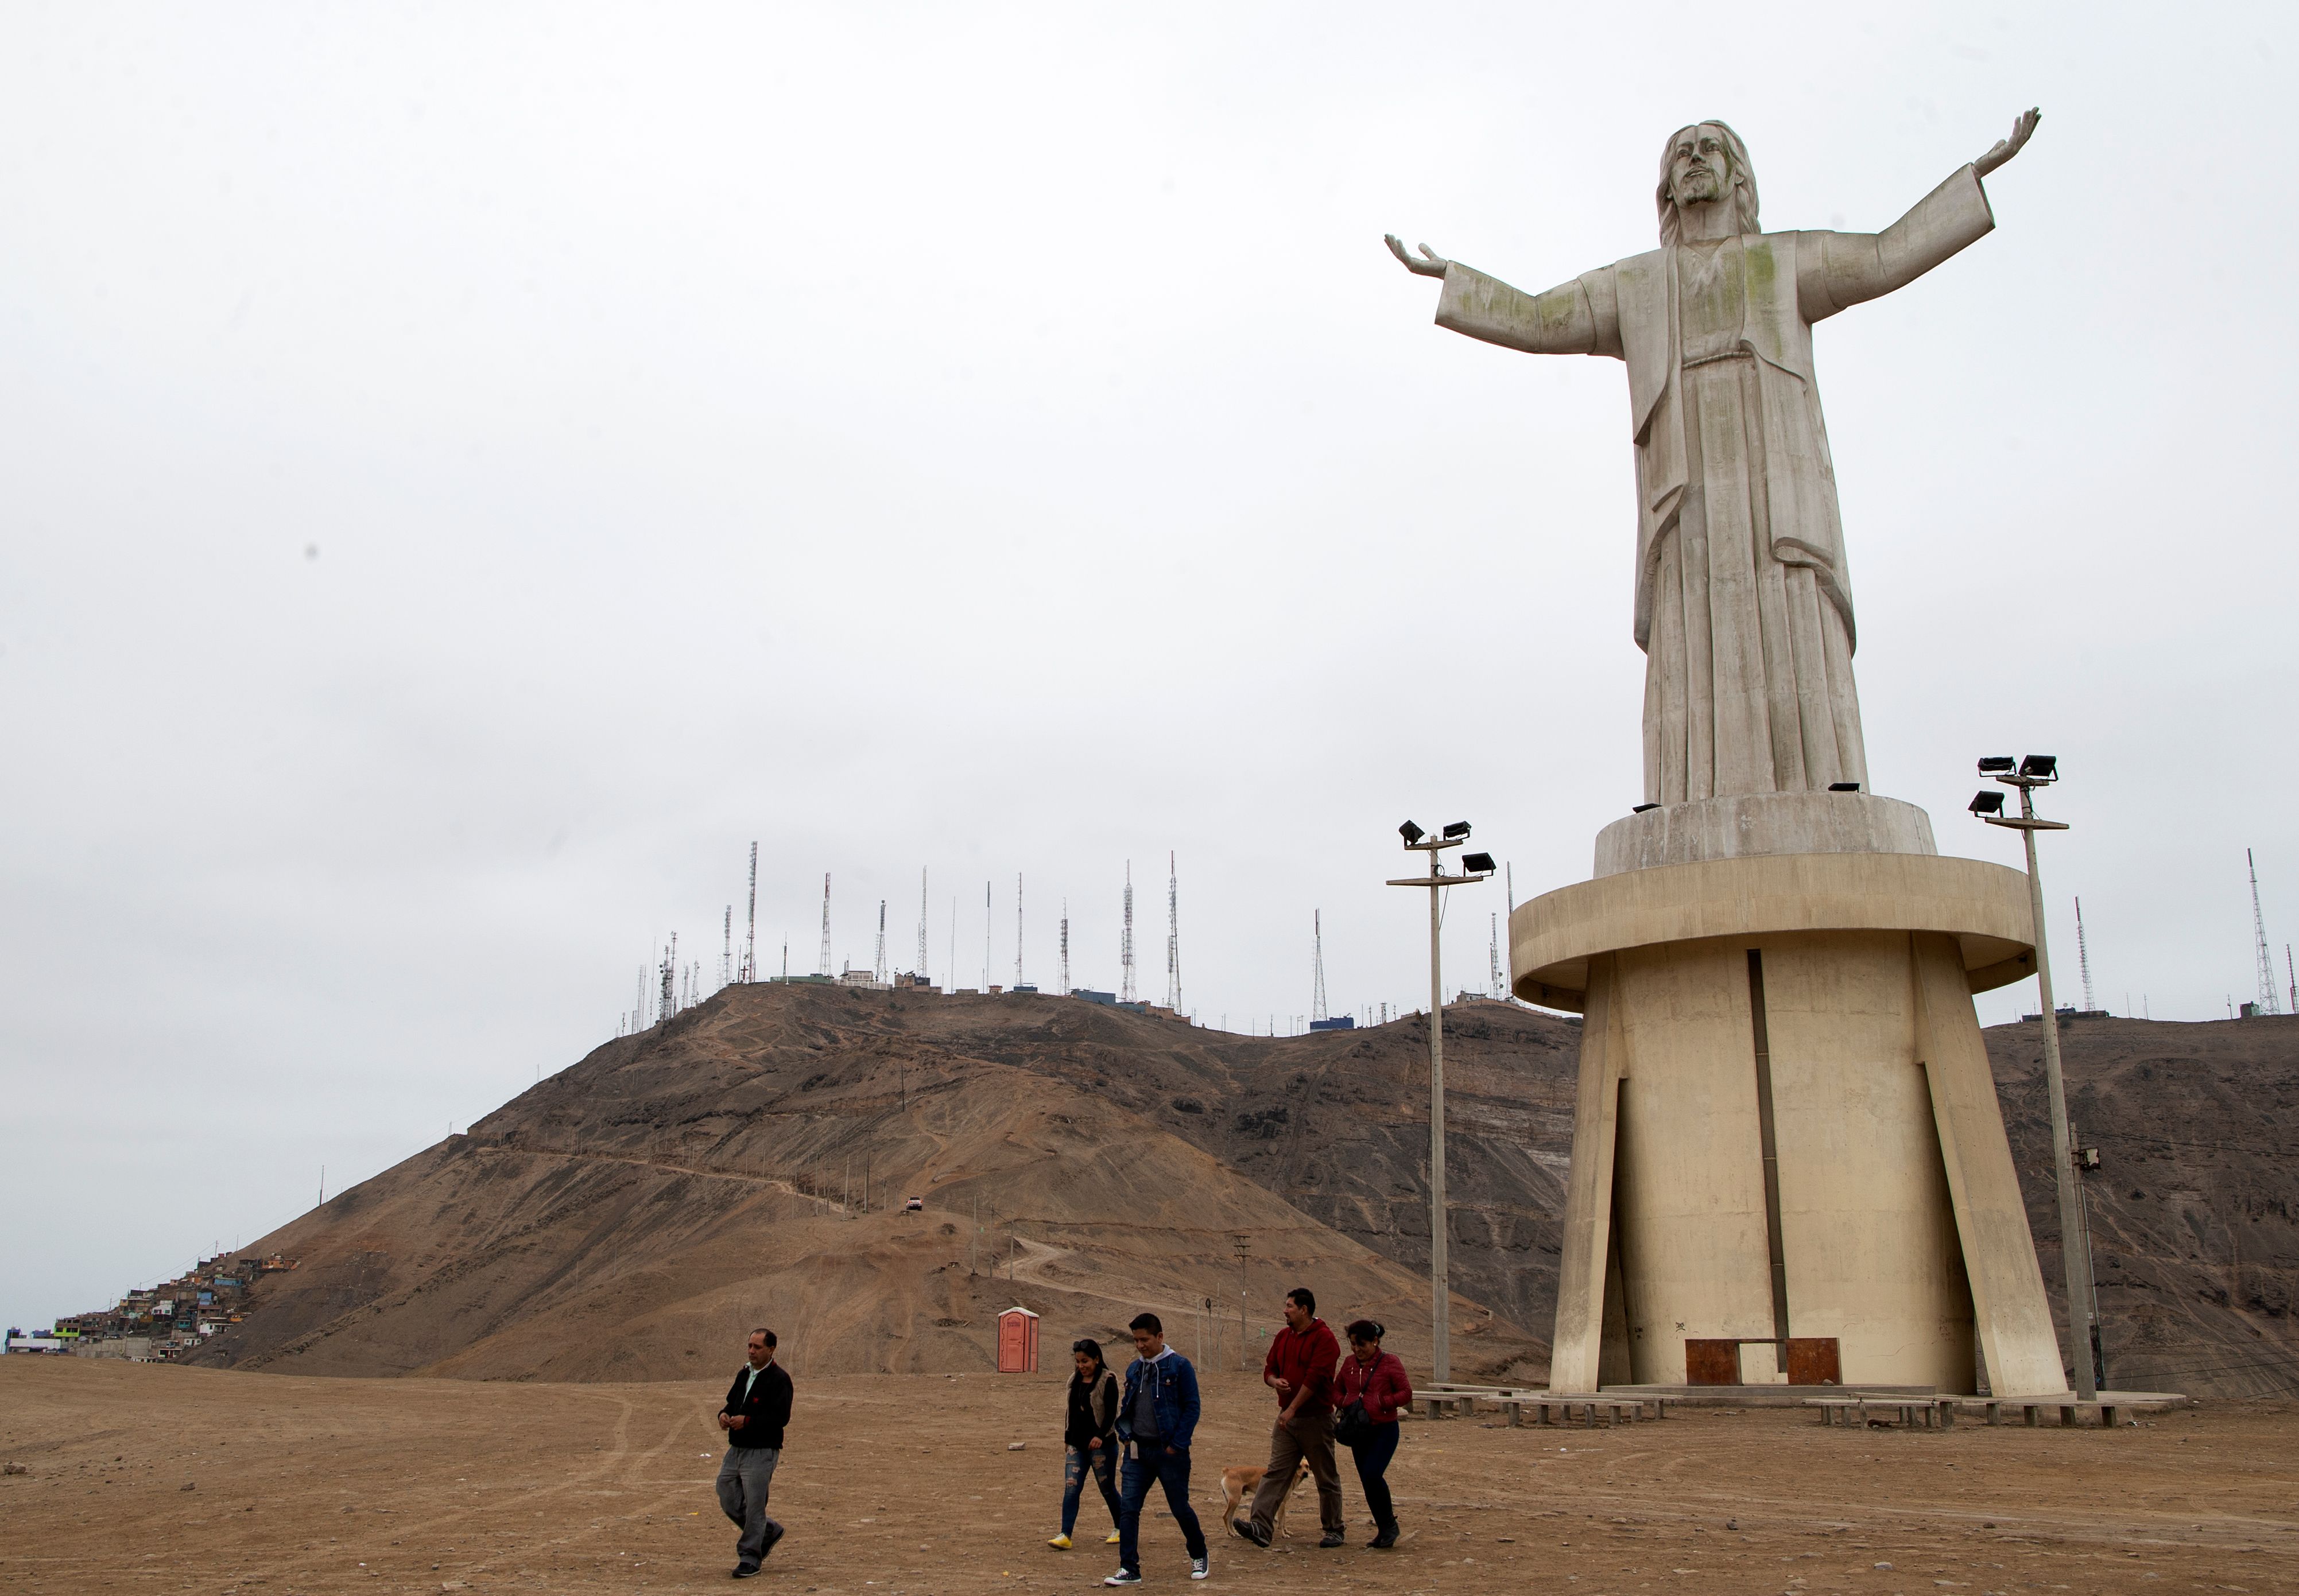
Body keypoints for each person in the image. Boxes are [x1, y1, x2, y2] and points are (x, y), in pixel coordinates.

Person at [1235, 1286, 1343, 1549]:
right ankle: (1261, 1526)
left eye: (1289, 1306)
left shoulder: (1325, 1339)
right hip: (1287, 1420)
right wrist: (1274, 1382)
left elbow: (1316, 1378)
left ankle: (1334, 1529)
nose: (1285, 1311)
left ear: (1304, 1310)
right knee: (1276, 1473)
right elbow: (1269, 1369)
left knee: (1325, 1475)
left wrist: (1293, 1408)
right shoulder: (1284, 1336)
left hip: (1316, 1419)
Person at [1105, 1312, 1209, 1585]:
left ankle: (1199, 1553)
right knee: (1129, 1509)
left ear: (1160, 1337)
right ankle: (1129, 1568)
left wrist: (1177, 1444)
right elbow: (1128, 1405)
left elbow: (1192, 1407)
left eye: (1145, 1340)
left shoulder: (1180, 1366)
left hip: (1169, 1452)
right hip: (1137, 1451)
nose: (1140, 1345)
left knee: (1179, 1507)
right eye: (1136, 1340)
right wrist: (1125, 1435)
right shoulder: (1134, 1369)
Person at [715, 1326, 793, 1579]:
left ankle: (750, 1557)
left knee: (755, 1506)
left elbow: (781, 1418)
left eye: (757, 1347)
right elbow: (732, 1403)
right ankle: (768, 1531)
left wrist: (748, 1421)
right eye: (750, 1346)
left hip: (761, 1452)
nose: (751, 1351)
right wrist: (724, 1415)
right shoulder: (744, 1374)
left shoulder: (779, 1379)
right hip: (736, 1449)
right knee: (727, 1494)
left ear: (771, 1349)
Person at [1334, 1319, 1413, 1549]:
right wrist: (1345, 1402)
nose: (1357, 1349)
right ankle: (1384, 1530)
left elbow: (1406, 1392)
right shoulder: (1349, 1364)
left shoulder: (1390, 1362)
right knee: (1368, 1482)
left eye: (1362, 1344)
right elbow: (1335, 1390)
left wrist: (1383, 1402)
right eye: (1353, 1344)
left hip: (1384, 1429)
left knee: (1372, 1474)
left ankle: (1389, 1526)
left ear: (1375, 1341)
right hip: (1358, 1431)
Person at [1050, 1337, 1124, 1551]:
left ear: (1097, 1359)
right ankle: (1065, 1534)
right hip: (1077, 1444)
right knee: (1071, 1487)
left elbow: (1111, 1414)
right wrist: (1067, 1438)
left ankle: (1122, 1527)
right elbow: (1071, 1411)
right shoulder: (1074, 1380)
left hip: (1102, 1446)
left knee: (1107, 1488)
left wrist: (1100, 1436)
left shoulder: (1107, 1380)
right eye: (1078, 1362)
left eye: (1085, 1361)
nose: (1081, 1366)